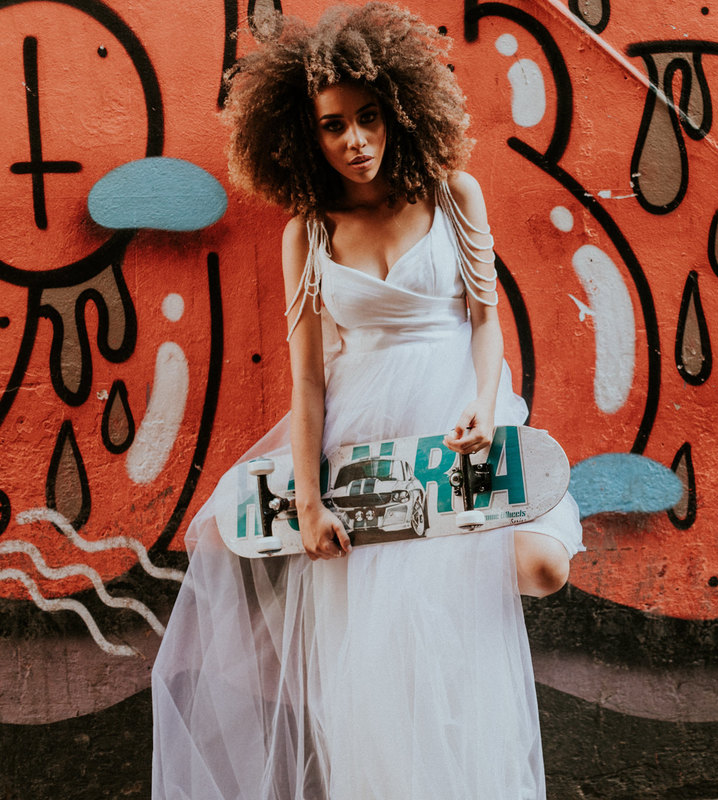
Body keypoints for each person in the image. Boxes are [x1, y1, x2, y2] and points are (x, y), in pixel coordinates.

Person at [150, 5, 583, 798]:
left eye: (368, 117)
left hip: (458, 431)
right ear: (304, 136)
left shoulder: (456, 196)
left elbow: (488, 325)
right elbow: (308, 377)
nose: (354, 139)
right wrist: (310, 503)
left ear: (398, 112)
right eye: (333, 125)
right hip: (366, 453)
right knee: (384, 661)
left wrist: (486, 406)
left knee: (540, 568)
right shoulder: (308, 234)